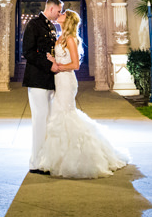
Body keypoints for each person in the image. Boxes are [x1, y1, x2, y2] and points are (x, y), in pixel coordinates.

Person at [36, 9, 130, 178]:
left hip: (66, 80)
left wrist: (59, 67)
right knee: (59, 114)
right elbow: (63, 60)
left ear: (68, 19)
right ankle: (58, 158)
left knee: (64, 114)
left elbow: (76, 65)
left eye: (63, 13)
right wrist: (53, 61)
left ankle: (76, 158)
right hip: (59, 79)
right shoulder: (60, 37)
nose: (60, 15)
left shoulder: (71, 39)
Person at [22, 0, 62, 175]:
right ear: (51, 9)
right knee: (39, 120)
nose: (59, 14)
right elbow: (28, 52)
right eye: (59, 11)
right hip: (37, 79)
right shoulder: (34, 24)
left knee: (47, 121)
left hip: (49, 80)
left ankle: (45, 159)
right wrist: (48, 65)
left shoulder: (51, 26)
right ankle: (35, 162)